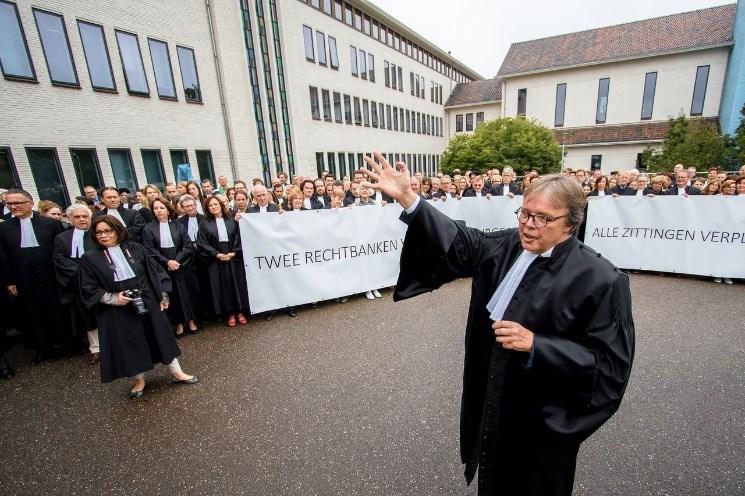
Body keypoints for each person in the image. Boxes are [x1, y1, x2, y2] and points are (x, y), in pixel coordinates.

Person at [361, 152, 634, 496]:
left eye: (542, 218)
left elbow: (610, 368)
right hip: (496, 395)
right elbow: (459, 241)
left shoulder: (603, 281)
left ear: (570, 223)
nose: (529, 225)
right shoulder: (508, 245)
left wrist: (538, 344)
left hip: (541, 419)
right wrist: (409, 198)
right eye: (525, 213)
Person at [78, 216, 198, 399]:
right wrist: (112, 298)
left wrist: (162, 295)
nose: (103, 235)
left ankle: (177, 372)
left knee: (161, 336)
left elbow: (156, 273)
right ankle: (139, 379)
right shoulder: (90, 258)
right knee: (130, 343)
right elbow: (88, 287)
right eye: (99, 232)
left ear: (118, 230)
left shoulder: (136, 248)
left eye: (108, 231)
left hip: (148, 300)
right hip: (118, 308)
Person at [0, 189, 66, 363]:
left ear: (30, 203)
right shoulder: (4, 228)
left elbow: (60, 250)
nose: (14, 207)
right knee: (31, 312)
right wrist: (9, 281)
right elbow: (3, 256)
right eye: (9, 204)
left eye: (18, 203)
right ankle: (41, 347)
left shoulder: (49, 224)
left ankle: (63, 343)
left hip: (50, 275)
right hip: (23, 278)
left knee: (56, 308)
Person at [143, 198, 201, 336]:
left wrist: (176, 261)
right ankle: (179, 324)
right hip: (163, 268)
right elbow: (150, 250)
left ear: (168, 210)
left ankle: (191, 321)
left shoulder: (178, 225)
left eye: (161, 208)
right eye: (156, 208)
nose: (159, 210)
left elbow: (187, 245)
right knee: (172, 296)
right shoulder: (148, 228)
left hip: (181, 264)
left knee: (187, 293)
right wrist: (167, 262)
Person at [53, 204, 99, 364]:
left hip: (99, 279)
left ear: (90, 218)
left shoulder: (97, 234)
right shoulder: (62, 238)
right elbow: (60, 259)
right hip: (75, 281)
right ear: (70, 219)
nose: (81, 219)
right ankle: (95, 348)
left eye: (84, 216)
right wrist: (81, 272)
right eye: (77, 217)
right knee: (87, 316)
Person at [197, 196, 250, 327]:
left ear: (221, 205)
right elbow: (202, 243)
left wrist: (234, 252)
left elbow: (240, 236)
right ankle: (230, 313)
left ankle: (240, 312)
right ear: (207, 209)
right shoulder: (205, 223)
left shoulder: (231, 220)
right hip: (217, 260)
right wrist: (216, 254)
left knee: (237, 285)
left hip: (233, 257)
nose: (213, 207)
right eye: (210, 206)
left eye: (215, 204)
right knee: (223, 286)